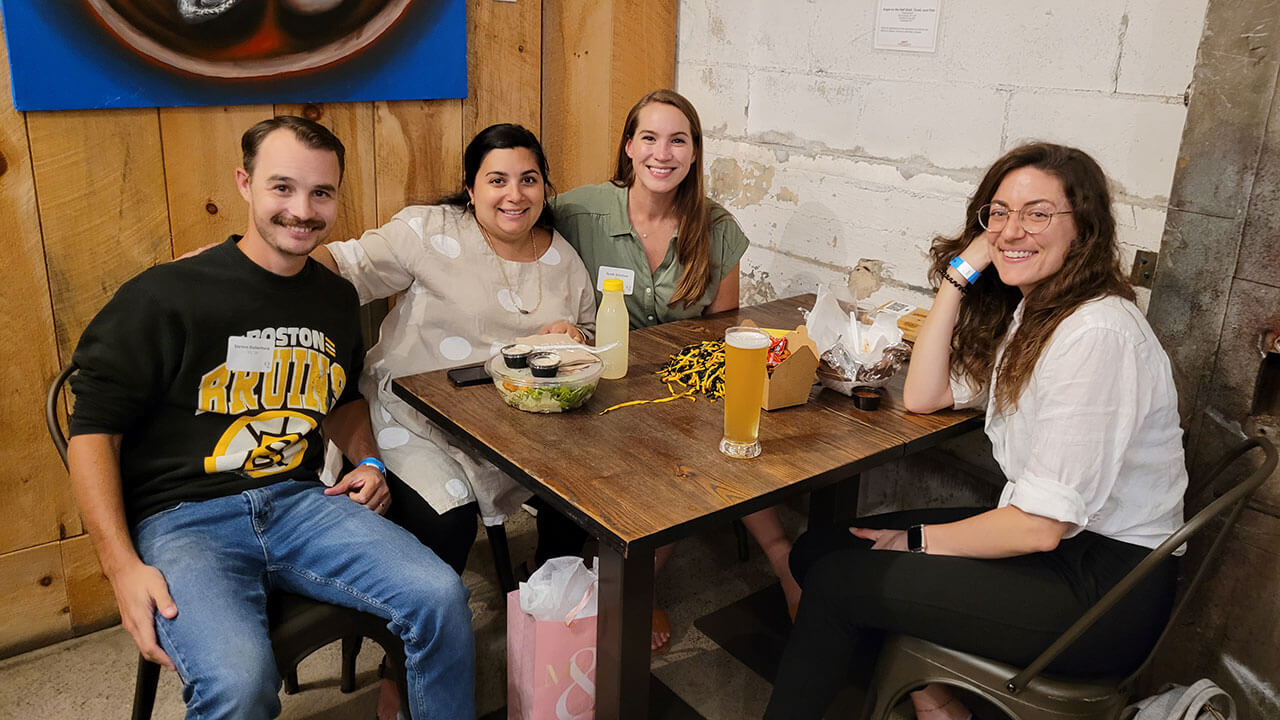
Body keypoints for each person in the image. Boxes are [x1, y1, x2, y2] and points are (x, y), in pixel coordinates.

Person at [66, 116, 476, 720]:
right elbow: (93, 432)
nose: (301, 210)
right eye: (281, 187)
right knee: (238, 683)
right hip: (185, 520)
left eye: (321, 193)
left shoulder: (334, 299)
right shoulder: (165, 296)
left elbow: (339, 400)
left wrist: (367, 458)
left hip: (300, 502)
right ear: (244, 184)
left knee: (440, 596)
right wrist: (121, 567)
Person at [765, 143, 1188, 719]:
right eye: (999, 213)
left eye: (1038, 213)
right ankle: (936, 701)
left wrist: (917, 544)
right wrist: (961, 275)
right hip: (1058, 548)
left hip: (1102, 592)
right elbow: (923, 396)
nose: (1012, 230)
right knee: (821, 548)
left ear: (1082, 230)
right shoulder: (1035, 313)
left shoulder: (1096, 335)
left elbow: (1040, 527)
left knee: (840, 582)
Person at [552, 89, 801, 652]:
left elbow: (722, 330)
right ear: (628, 147)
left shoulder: (716, 228)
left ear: (694, 154)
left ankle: (781, 560)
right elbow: (518, 239)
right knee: (656, 457)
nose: (662, 153)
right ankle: (641, 580)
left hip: (681, 387)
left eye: (678, 140)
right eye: (649, 138)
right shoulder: (578, 211)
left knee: (736, 432)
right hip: (601, 383)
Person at [312, 123, 596, 574]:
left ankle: (547, 595)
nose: (515, 195)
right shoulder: (429, 231)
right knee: (450, 516)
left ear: (545, 186)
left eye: (529, 179)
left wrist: (573, 336)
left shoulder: (563, 257)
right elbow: (349, 264)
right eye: (497, 180)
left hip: (510, 427)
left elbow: (586, 333)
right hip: (411, 413)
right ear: (470, 187)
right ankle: (427, 621)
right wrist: (257, 262)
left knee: (585, 484)